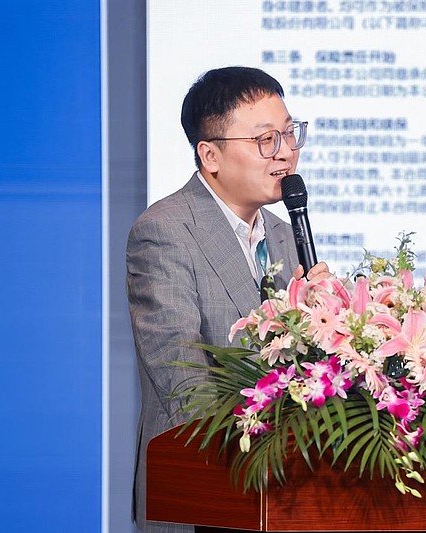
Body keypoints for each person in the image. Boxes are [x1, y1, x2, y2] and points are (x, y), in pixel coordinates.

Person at [126, 66, 328, 533]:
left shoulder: (284, 234)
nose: (286, 152)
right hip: (202, 495)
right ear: (210, 155)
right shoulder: (165, 232)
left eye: (289, 133)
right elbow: (181, 376)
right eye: (265, 140)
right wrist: (261, 453)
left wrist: (322, 323)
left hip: (286, 496)